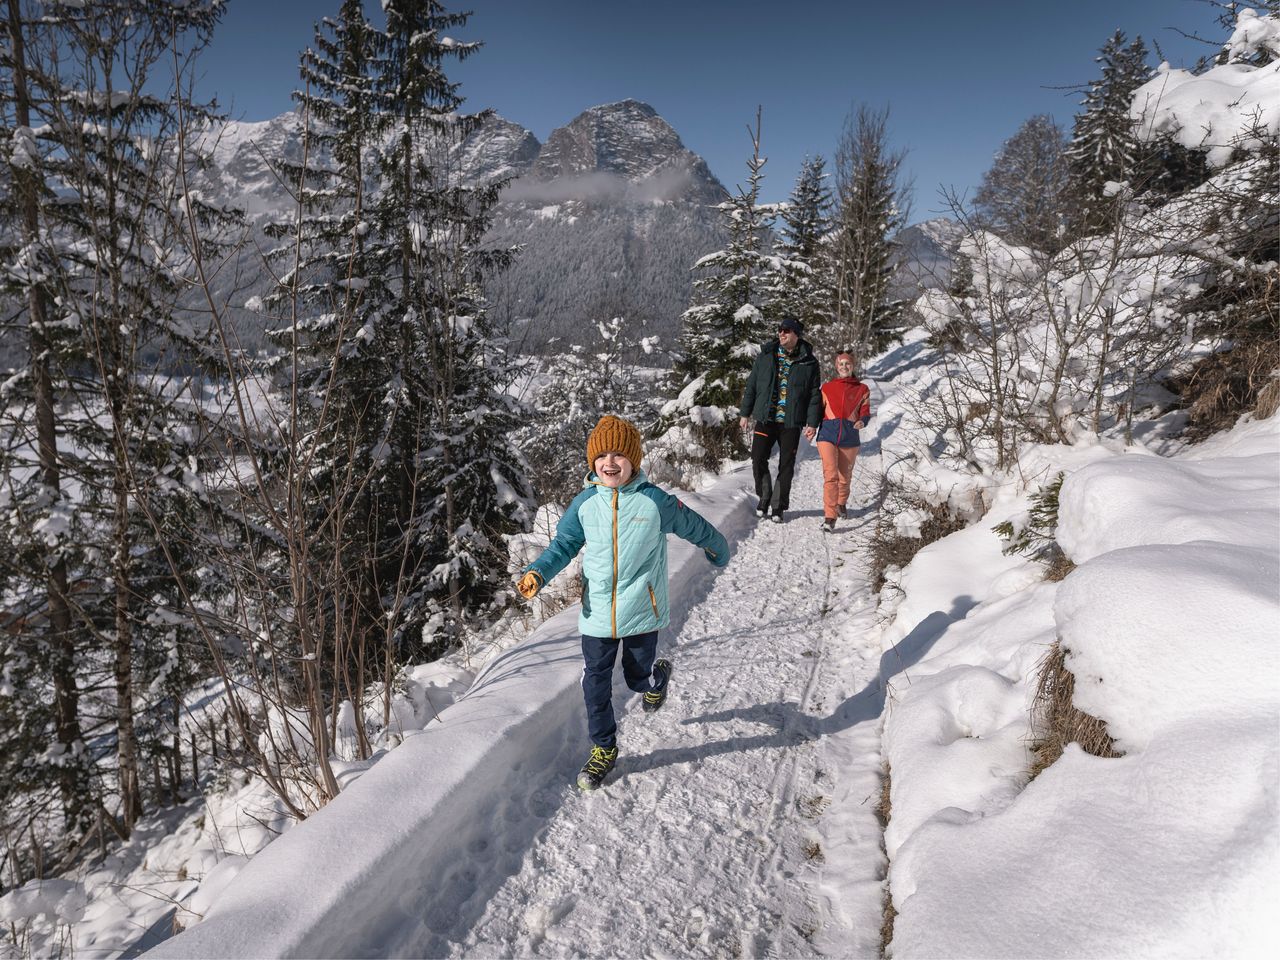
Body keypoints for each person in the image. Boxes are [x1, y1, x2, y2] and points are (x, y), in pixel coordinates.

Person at [516, 414, 729, 791]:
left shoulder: (653, 502)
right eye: (602, 456)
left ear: (634, 459)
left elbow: (694, 525)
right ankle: (604, 747)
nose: (609, 462)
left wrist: (717, 547)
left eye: (619, 455)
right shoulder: (584, 504)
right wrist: (538, 573)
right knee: (594, 683)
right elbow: (563, 546)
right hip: (596, 611)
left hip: (641, 610)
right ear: (592, 461)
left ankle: (656, 678)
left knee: (636, 678)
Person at [737, 316, 822, 524]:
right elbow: (752, 385)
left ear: (796, 334)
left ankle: (778, 506)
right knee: (757, 458)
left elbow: (814, 395)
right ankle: (764, 496)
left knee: (786, 465)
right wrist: (744, 413)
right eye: (780, 329)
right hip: (766, 419)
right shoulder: (766, 356)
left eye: (786, 330)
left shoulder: (809, 362)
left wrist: (812, 423)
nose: (781, 333)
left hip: (791, 423)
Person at [816, 350, 871, 531]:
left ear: (853, 366)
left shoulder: (862, 389)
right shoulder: (826, 388)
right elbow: (817, 411)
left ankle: (841, 503)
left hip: (850, 437)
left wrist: (863, 421)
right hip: (827, 435)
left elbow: (865, 410)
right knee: (830, 476)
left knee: (844, 477)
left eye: (847, 364)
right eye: (841, 364)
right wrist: (810, 426)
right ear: (836, 367)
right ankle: (830, 517)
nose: (844, 367)